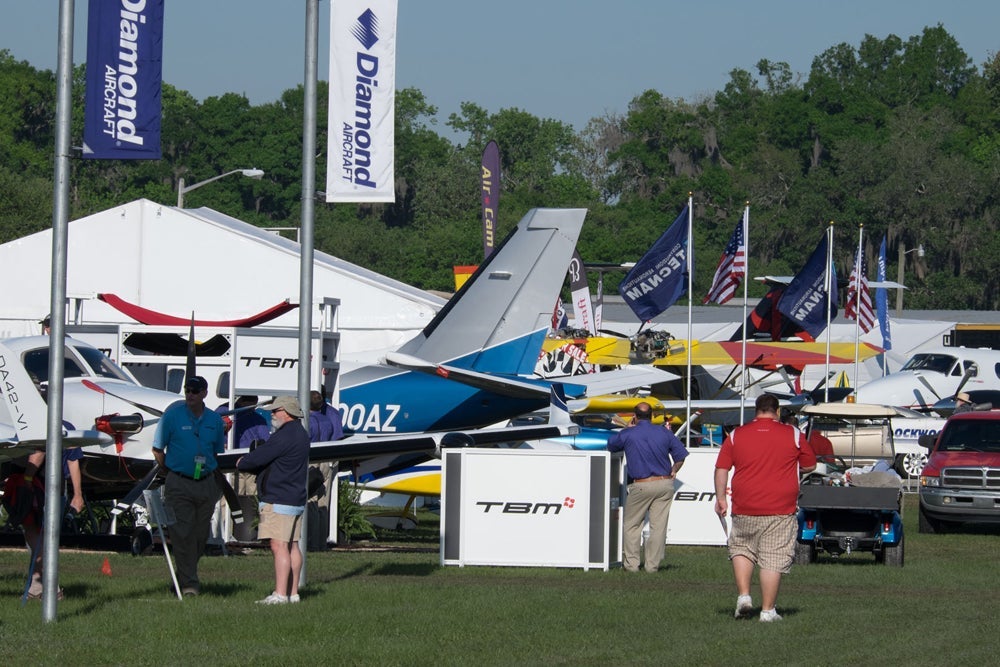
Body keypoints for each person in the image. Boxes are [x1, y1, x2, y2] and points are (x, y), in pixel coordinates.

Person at [714, 394, 816, 622]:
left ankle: (743, 595)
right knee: (773, 557)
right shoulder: (793, 434)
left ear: (756, 411)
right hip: (780, 507)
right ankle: (768, 611)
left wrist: (721, 498)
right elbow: (810, 464)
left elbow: (721, 468)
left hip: (744, 505)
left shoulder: (737, 435)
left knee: (742, 549)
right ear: (777, 412)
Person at [152, 375, 226, 596]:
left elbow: (216, 452)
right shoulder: (172, 416)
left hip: (206, 482)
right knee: (181, 533)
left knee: (200, 535)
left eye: (195, 390)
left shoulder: (214, 420)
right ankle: (189, 584)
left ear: (204, 393)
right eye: (187, 390)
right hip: (179, 483)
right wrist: (171, 472)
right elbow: (157, 450)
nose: (190, 395)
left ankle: (184, 574)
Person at [236, 395, 310, 605]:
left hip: (278, 498)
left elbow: (260, 457)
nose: (272, 415)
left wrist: (243, 461)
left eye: (275, 411)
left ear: (286, 412)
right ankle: (293, 593)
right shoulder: (302, 434)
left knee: (278, 546)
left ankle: (280, 594)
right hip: (295, 497)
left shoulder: (284, 436)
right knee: (293, 545)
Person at [606, 402, 689, 573]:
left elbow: (611, 445)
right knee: (658, 527)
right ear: (652, 416)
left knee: (632, 525)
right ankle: (652, 566)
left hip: (641, 484)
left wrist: (627, 428)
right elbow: (680, 455)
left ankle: (632, 565)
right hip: (664, 483)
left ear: (634, 416)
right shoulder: (663, 432)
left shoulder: (629, 433)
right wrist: (674, 470)